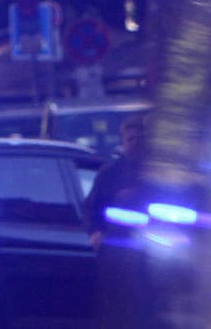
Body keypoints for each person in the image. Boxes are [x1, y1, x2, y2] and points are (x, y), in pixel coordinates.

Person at [84, 114, 147, 329]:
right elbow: (93, 208)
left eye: (140, 140)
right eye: (131, 140)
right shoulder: (109, 174)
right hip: (115, 251)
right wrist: (95, 232)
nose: (135, 144)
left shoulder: (154, 175)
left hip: (147, 251)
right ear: (123, 141)